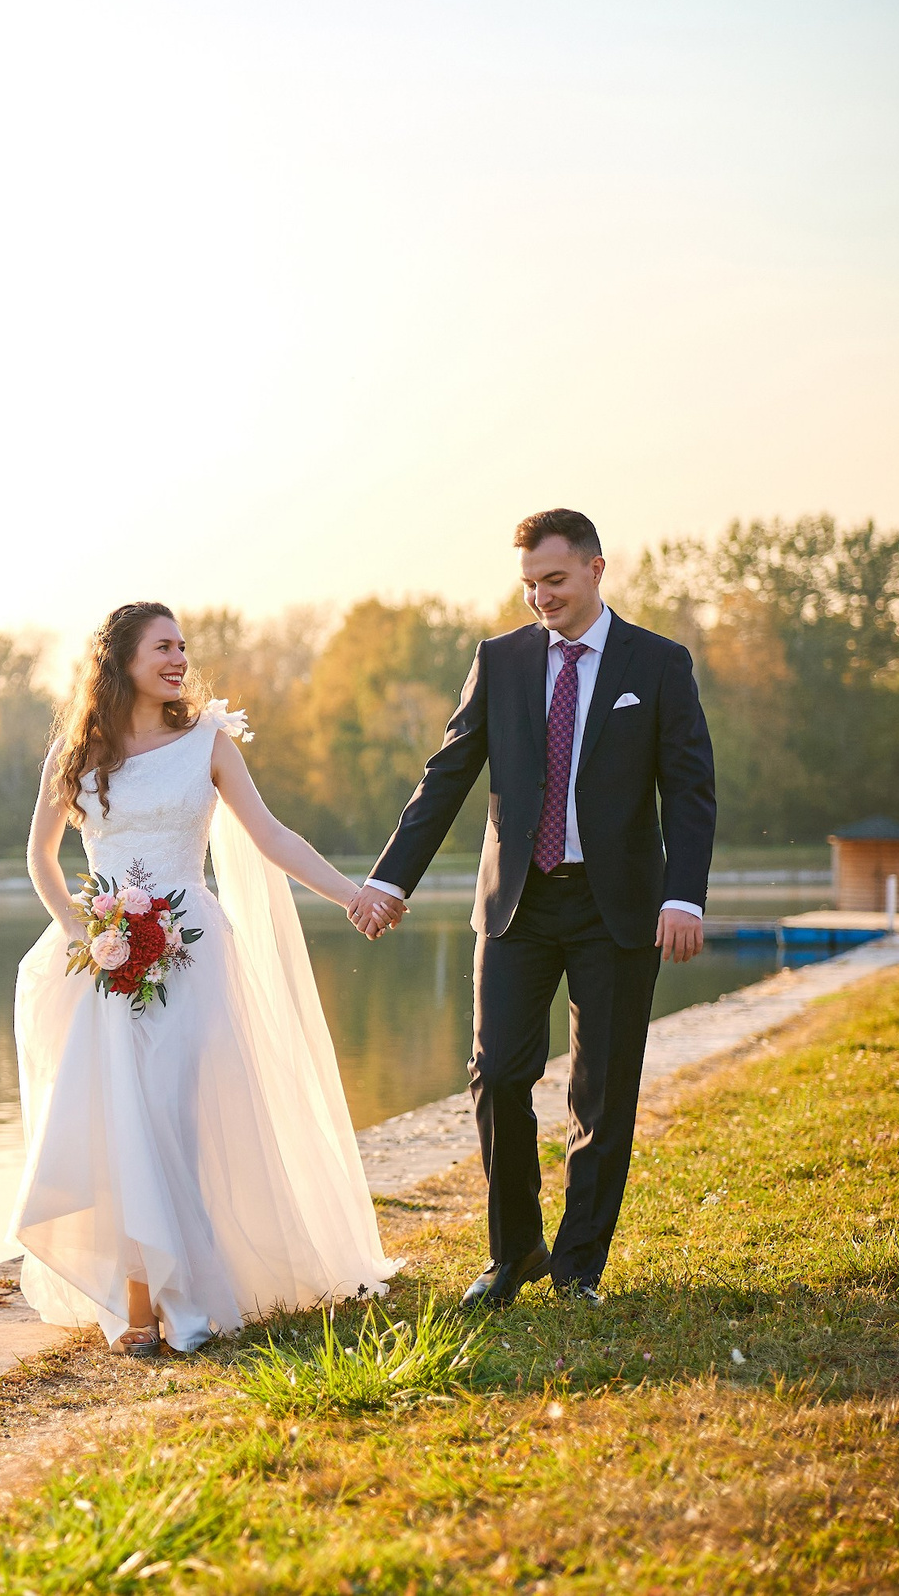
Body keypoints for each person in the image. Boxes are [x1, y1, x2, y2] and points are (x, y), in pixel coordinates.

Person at [350, 508, 715, 1309]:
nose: (540, 597)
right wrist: (389, 881)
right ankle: (515, 1250)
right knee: (496, 1074)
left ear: (595, 569)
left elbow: (690, 789)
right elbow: (447, 774)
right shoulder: (501, 659)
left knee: (602, 1090)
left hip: (618, 907)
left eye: (554, 580)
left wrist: (683, 894)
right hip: (515, 904)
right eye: (528, 585)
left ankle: (579, 1267)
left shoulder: (658, 663)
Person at [14, 602, 397, 1356]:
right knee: (118, 1119)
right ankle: (137, 1302)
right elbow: (41, 858)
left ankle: (182, 1290)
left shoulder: (208, 741)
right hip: (105, 958)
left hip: (188, 949)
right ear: (121, 660)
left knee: (170, 1112)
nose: (179, 659)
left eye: (182, 646)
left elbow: (272, 835)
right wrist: (85, 935)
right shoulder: (77, 750)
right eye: (162, 647)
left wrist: (353, 894)